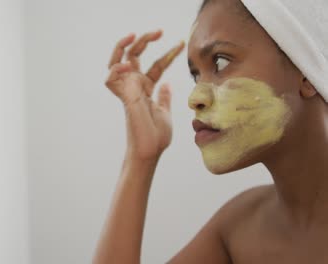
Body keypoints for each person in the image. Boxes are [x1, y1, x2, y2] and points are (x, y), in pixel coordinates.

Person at [93, 0, 328, 263]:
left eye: (220, 62)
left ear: (307, 74)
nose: (195, 97)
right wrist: (140, 156)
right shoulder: (240, 227)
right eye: (196, 75)